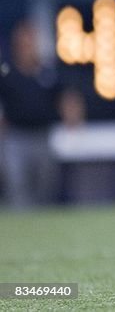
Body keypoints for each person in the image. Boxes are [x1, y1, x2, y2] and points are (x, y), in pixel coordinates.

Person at [0, 19, 84, 209]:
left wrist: (72, 115)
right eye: (25, 42)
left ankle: (42, 226)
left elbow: (67, 96)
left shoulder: (48, 72)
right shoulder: (6, 72)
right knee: (17, 183)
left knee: (45, 186)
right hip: (16, 137)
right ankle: (20, 223)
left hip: (43, 136)